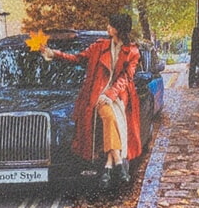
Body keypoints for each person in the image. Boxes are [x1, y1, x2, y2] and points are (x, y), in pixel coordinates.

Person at [42, 12, 142, 193]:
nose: (107, 28)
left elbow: (126, 77)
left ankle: (110, 165)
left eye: (110, 25)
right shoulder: (99, 46)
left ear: (117, 29)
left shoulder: (133, 52)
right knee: (109, 116)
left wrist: (111, 94)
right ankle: (119, 163)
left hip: (119, 95)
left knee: (111, 117)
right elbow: (77, 58)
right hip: (98, 93)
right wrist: (54, 53)